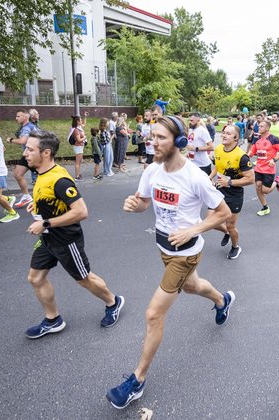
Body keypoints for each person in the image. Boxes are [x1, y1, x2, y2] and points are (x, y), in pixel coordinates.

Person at [106, 115, 234, 409]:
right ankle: (221, 300)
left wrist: (193, 228)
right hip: (164, 247)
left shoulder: (195, 177)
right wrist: (133, 204)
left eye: (160, 137)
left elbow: (222, 212)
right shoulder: (152, 171)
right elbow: (143, 203)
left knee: (153, 314)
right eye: (152, 136)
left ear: (179, 142)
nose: (153, 142)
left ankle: (137, 380)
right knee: (192, 287)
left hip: (185, 252)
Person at [23, 130, 124, 339]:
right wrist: (38, 204)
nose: (25, 153)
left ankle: (113, 302)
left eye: (30, 149)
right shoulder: (42, 173)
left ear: (46, 153)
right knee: (35, 278)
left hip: (66, 239)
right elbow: (50, 198)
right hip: (48, 238)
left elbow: (81, 212)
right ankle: (53, 320)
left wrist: (46, 222)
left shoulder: (60, 180)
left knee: (84, 279)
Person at [209, 124, 254, 259]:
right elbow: (218, 167)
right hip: (219, 189)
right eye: (223, 132)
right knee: (211, 221)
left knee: (230, 225)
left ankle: (236, 246)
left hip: (234, 194)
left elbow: (251, 179)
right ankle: (227, 233)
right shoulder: (218, 149)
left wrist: (229, 182)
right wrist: (210, 177)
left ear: (236, 137)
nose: (224, 135)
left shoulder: (242, 157)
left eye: (228, 133)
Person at [249, 120, 279, 216]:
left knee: (265, 190)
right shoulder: (257, 139)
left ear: (267, 128)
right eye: (259, 125)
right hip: (258, 168)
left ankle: (277, 182)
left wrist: (274, 159)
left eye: (261, 126)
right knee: (258, 188)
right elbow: (251, 153)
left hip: (269, 169)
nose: (259, 127)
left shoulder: (273, 139)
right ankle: (265, 207)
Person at [5, 109, 37, 207]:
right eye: (16, 116)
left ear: (25, 117)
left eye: (19, 116)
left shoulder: (27, 128)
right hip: (28, 154)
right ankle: (27, 197)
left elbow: (23, 141)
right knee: (17, 174)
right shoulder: (30, 126)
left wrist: (10, 140)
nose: (16, 118)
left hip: (34, 155)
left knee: (42, 177)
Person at [69, 113, 88, 181]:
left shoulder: (79, 127)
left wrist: (85, 117)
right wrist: (84, 137)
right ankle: (77, 176)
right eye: (80, 120)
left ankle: (78, 174)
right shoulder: (76, 130)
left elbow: (84, 124)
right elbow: (79, 140)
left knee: (79, 161)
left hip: (80, 146)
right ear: (77, 121)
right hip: (78, 147)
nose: (81, 121)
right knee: (77, 162)